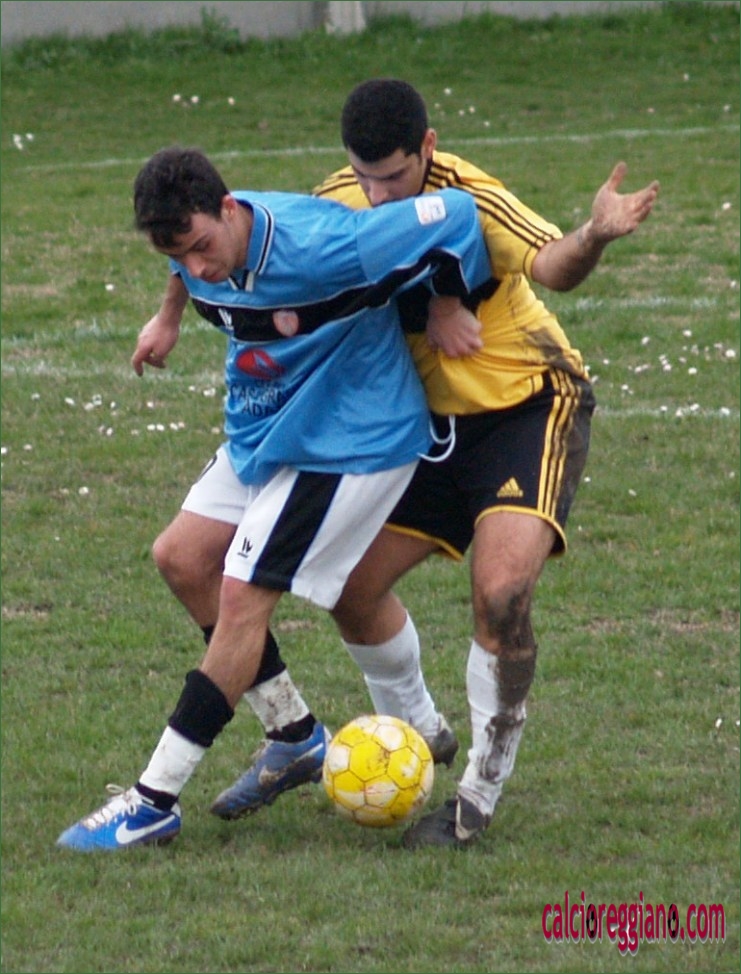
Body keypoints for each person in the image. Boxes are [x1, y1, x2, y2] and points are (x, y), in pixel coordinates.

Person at [211, 79, 659, 847]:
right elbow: (253, 253)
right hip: (423, 431)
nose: (379, 195)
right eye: (365, 177)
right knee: (351, 588)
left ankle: (477, 793)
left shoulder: (468, 196)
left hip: (525, 409)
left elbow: (552, 265)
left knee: (500, 594)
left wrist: (593, 234)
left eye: (394, 176)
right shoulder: (336, 199)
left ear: (427, 147)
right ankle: (420, 731)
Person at [56, 145, 494, 851]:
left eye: (202, 246)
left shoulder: (330, 245)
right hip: (269, 428)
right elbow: (185, 264)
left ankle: (153, 800)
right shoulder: (199, 241)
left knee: (241, 598)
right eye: (176, 255)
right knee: (181, 559)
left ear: (229, 210)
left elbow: (457, 214)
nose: (197, 267)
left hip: (348, 440)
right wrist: (168, 317)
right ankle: (294, 735)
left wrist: (447, 302)